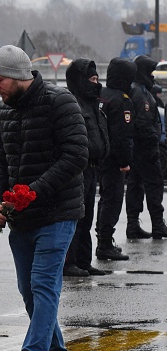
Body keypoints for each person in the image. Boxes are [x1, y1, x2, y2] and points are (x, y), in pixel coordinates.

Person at [0, 45, 88, 351]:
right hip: (22, 219)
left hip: (58, 213)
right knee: (28, 290)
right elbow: (0, 163)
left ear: (17, 76)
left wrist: (33, 191)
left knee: (44, 286)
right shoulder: (4, 113)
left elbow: (76, 156)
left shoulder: (61, 102)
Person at [63, 58, 110, 276]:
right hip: (77, 170)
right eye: (92, 79)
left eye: (97, 78)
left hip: (92, 169)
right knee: (76, 218)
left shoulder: (92, 102)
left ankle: (83, 261)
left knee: (87, 217)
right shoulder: (71, 103)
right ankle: (69, 263)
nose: (96, 83)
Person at [95, 58, 136, 260]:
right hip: (113, 160)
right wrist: (124, 161)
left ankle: (103, 240)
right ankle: (104, 244)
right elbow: (122, 136)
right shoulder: (122, 100)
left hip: (101, 156)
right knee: (112, 200)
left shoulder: (101, 95)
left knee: (104, 199)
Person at [125, 55, 167, 239]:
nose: (153, 75)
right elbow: (143, 123)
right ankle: (158, 225)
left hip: (138, 150)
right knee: (153, 185)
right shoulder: (140, 93)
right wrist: (152, 144)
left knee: (135, 186)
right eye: (150, 71)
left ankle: (133, 225)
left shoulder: (138, 90)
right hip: (145, 150)